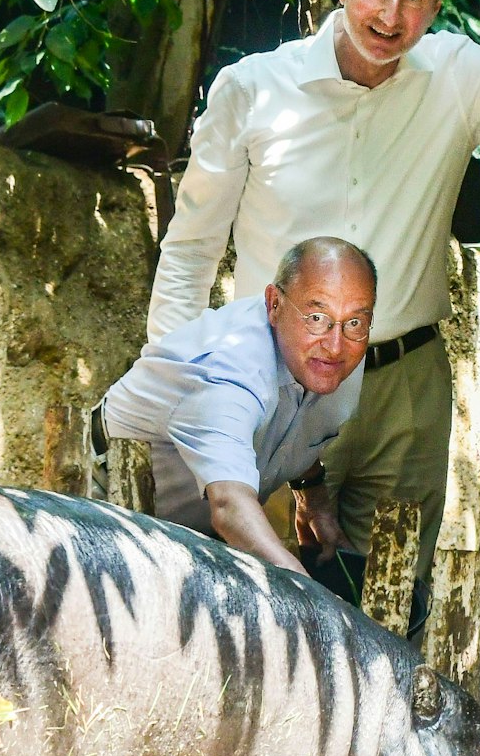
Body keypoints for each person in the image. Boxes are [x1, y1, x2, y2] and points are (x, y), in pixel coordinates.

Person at [146, 0, 480, 581]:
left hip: (404, 393)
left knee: (391, 606)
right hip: (270, 385)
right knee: (252, 602)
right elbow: (191, 252)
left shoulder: (458, 76)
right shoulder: (252, 89)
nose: (390, 16)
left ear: (436, 6)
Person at [95, 236, 376, 575]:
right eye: (317, 317)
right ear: (274, 304)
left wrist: (313, 498)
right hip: (109, 516)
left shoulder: (334, 353)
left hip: (196, 534)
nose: (334, 344)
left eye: (355, 322)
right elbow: (229, 506)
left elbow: (291, 422)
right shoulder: (228, 369)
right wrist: (313, 603)